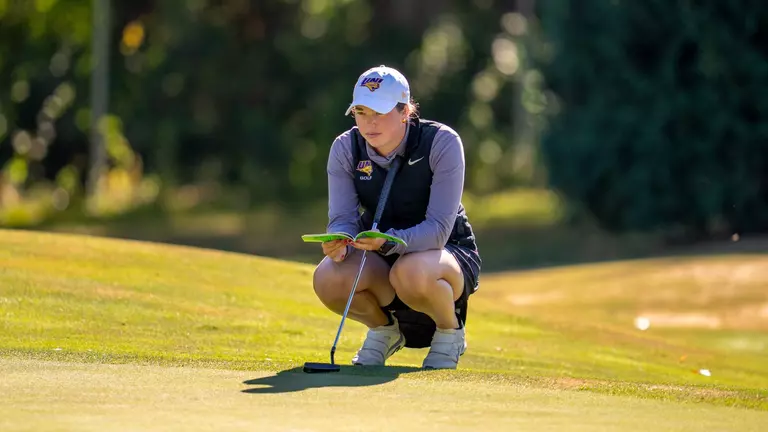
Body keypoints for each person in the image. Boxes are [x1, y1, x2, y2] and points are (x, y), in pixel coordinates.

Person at [312, 65, 482, 370]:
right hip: (379, 252)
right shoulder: (345, 148)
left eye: (380, 112)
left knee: (411, 270)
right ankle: (384, 330)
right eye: (362, 112)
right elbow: (343, 218)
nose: (370, 122)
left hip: (443, 253)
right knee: (327, 278)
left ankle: (450, 331)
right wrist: (338, 240)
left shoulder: (441, 142)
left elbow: (439, 230)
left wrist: (390, 244)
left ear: (405, 111)